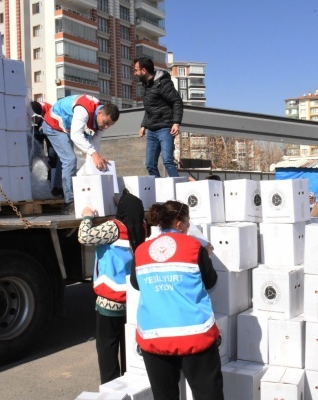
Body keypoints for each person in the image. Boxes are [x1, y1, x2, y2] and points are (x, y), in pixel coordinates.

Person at [131, 201, 223, 400]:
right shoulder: (194, 247)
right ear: (179, 224)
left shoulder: (141, 250)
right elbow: (211, 281)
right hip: (194, 334)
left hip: (154, 336)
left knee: (164, 396)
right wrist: (206, 255)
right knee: (208, 394)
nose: (189, 227)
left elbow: (136, 284)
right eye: (188, 222)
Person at [78, 189, 146, 384]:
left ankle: (112, 388)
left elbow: (84, 237)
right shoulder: (141, 227)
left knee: (107, 347)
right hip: (131, 300)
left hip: (109, 301)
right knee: (128, 347)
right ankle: (130, 384)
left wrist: (87, 216)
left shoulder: (114, 227)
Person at [42, 95, 119, 214]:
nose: (106, 127)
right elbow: (76, 135)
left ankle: (57, 189)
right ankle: (70, 202)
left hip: (66, 128)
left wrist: (96, 158)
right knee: (70, 159)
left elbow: (94, 146)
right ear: (100, 113)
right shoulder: (84, 109)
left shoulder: (101, 122)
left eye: (110, 125)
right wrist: (94, 154)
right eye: (105, 123)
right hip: (53, 124)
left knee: (65, 158)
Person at [134, 57, 183, 178]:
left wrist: (176, 122)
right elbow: (149, 108)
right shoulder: (145, 86)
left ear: (144, 70)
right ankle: (159, 188)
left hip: (165, 128)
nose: (135, 73)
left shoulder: (163, 83)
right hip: (151, 129)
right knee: (150, 164)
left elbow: (177, 101)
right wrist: (143, 125)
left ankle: (178, 188)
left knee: (167, 161)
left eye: (136, 70)